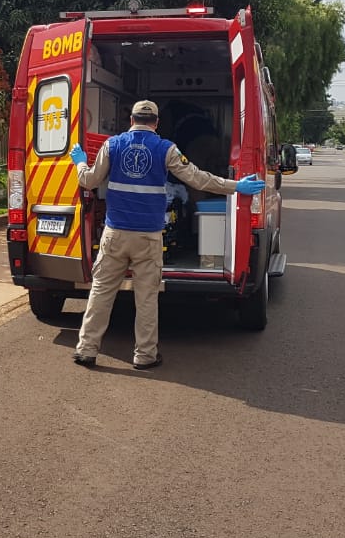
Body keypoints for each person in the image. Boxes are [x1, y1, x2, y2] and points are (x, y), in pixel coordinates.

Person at [68, 100, 265, 370]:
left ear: (131, 120)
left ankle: (87, 350)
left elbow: (88, 181)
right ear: (156, 123)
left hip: (115, 233)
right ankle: (145, 355)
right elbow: (198, 179)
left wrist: (80, 164)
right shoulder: (166, 149)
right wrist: (236, 187)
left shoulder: (112, 146)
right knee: (146, 297)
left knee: (101, 292)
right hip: (148, 238)